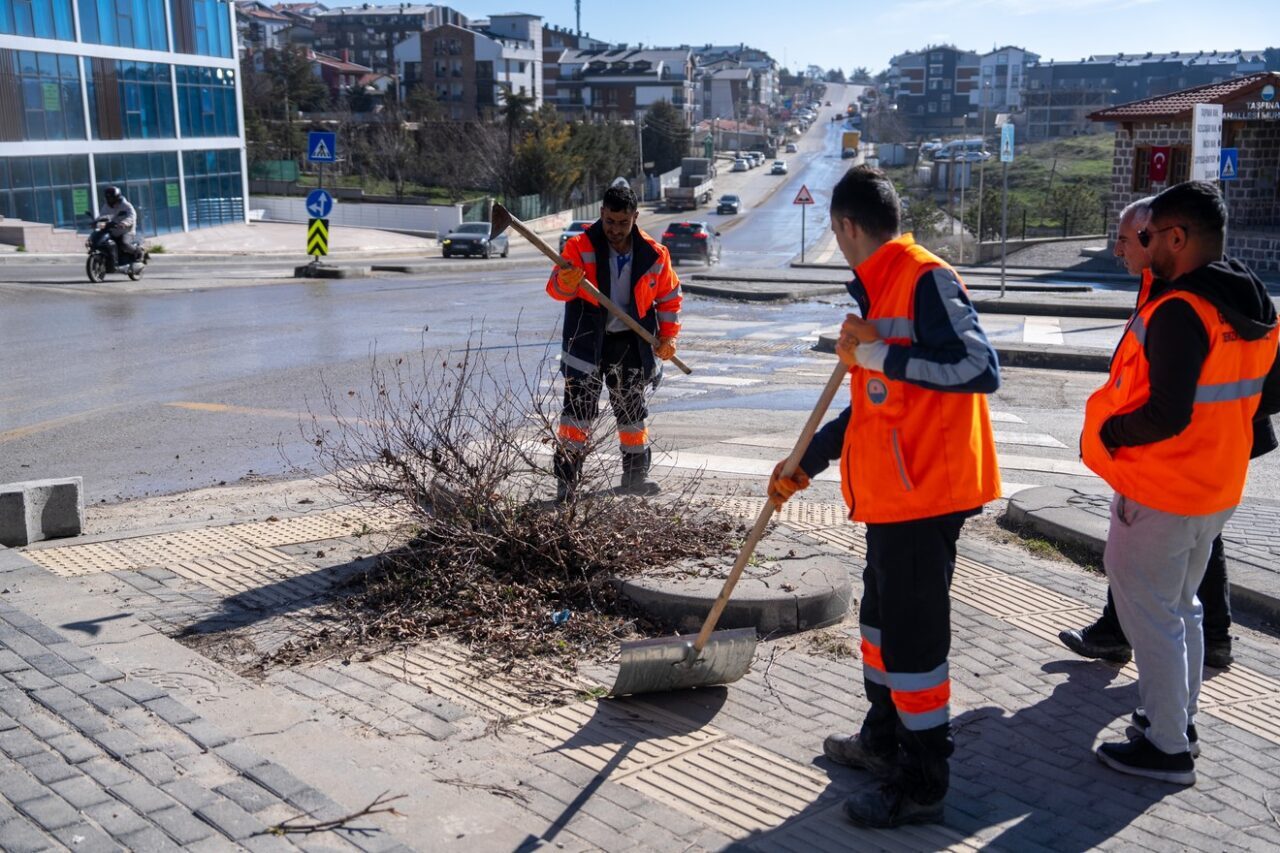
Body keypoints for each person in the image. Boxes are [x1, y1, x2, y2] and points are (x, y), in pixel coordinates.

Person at [767, 165, 1001, 828]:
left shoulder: (924, 278)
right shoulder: (880, 288)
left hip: (927, 495)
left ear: (845, 226)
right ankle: (883, 737)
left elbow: (980, 367)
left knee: (913, 643)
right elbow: (874, 406)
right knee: (877, 626)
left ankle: (922, 782)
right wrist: (806, 461)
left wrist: (881, 358)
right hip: (894, 496)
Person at [1081, 180, 1279, 785]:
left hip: (1162, 489)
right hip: (1217, 485)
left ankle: (1167, 747)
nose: (1142, 247)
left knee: (1155, 617)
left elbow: (1167, 413)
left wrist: (1112, 432)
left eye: (1146, 236)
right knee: (1182, 609)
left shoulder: (1179, 310)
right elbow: (1269, 393)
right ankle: (1176, 721)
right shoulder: (1252, 301)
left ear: (1176, 237)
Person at [546, 182, 681, 500]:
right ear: (601, 213)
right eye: (609, 221)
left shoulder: (654, 254)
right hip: (586, 341)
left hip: (629, 343)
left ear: (635, 217)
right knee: (576, 414)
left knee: (632, 413)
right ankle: (567, 483)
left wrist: (667, 336)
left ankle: (635, 478)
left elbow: (668, 297)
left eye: (623, 222)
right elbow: (556, 290)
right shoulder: (580, 247)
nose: (615, 229)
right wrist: (565, 281)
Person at [101, 186, 137, 269]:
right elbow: (102, 216)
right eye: (108, 198)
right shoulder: (106, 206)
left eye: (111, 198)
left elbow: (132, 216)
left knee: (124, 243)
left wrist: (124, 223)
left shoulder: (126, 205)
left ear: (117, 197)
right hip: (113, 230)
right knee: (104, 242)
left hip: (126, 231)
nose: (110, 200)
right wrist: (96, 222)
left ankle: (137, 252)